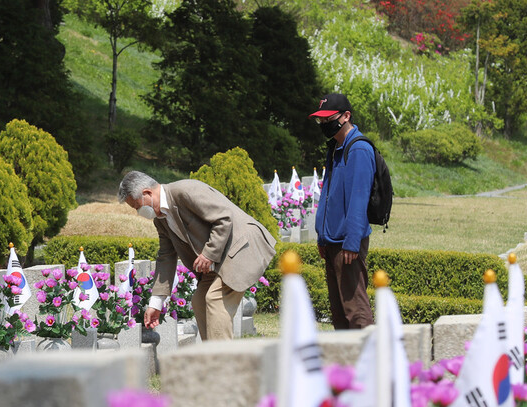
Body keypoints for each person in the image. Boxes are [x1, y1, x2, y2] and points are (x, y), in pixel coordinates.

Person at [118, 171, 277, 341]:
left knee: (215, 299)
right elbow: (166, 257)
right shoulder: (161, 220)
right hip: (219, 258)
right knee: (199, 302)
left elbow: (223, 219)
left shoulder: (185, 191)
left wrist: (208, 254)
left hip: (240, 247)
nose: (139, 212)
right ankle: (212, 357)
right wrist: (156, 303)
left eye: (137, 206)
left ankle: (224, 362)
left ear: (147, 193)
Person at [310, 93, 374, 329]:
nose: (325, 125)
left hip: (347, 243)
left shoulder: (358, 149)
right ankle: (347, 363)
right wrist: (322, 236)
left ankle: (368, 362)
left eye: (329, 119)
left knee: (356, 311)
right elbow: (328, 194)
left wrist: (352, 241)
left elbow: (359, 198)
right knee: (339, 313)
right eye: (321, 121)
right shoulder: (336, 147)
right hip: (332, 241)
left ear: (346, 116)